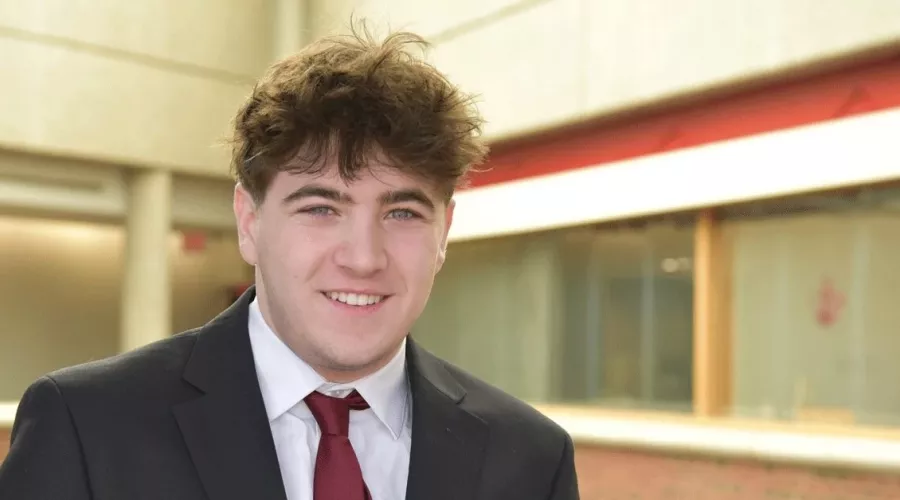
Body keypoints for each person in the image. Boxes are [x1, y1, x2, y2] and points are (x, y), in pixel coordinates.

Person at [0, 23, 579, 500]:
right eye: (322, 208)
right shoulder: (87, 429)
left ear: (444, 232)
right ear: (249, 222)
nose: (362, 257)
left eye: (402, 213)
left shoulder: (529, 459)